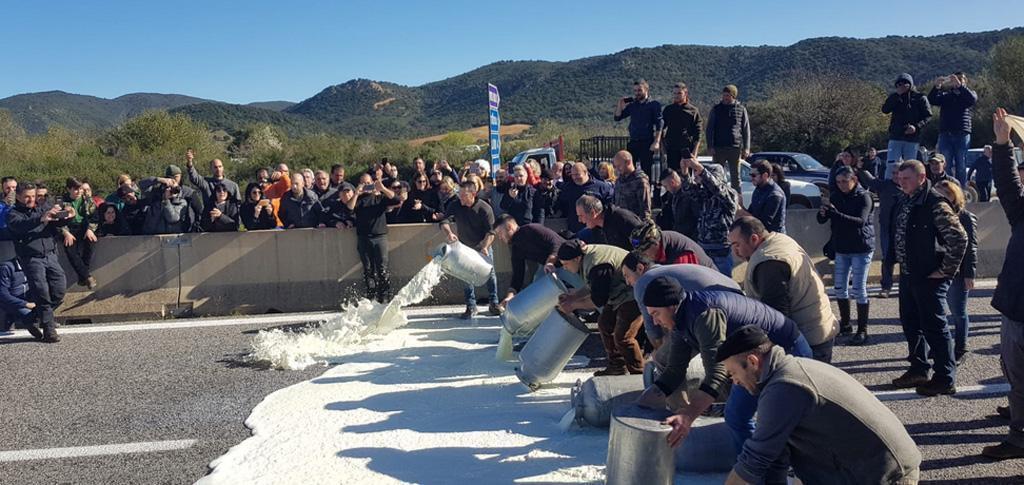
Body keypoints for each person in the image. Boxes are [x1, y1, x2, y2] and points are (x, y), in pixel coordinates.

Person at [636, 277, 811, 479]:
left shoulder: (704, 314)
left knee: (776, 427)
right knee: (737, 415)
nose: (655, 321)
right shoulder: (681, 321)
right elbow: (674, 371)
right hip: (748, 362)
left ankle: (763, 474)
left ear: (672, 306)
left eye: (656, 313)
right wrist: (641, 403)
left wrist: (688, 415)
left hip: (784, 351)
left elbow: (717, 373)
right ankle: (752, 475)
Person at [716, 326, 922, 485]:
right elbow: (776, 454)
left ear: (752, 362)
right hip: (878, 466)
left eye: (733, 373)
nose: (734, 382)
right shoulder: (789, 371)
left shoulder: (785, 387)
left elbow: (754, 460)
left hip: (888, 476)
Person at [891, 159, 967, 397]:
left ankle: (945, 377)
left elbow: (959, 238)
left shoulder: (935, 203)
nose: (902, 183)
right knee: (911, 323)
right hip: (909, 272)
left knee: (935, 326)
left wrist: (946, 271)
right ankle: (919, 369)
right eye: (900, 179)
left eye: (907, 179)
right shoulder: (906, 199)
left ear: (922, 178)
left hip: (929, 275)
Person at [728, 216, 838, 363]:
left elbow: (776, 317)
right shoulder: (779, 240)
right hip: (819, 326)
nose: (735, 252)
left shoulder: (768, 263)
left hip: (808, 338)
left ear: (754, 238)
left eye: (737, 245)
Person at [983, 108, 1024, 460]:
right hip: (1015, 312)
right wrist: (1002, 144)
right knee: (1017, 383)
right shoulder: (1022, 213)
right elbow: (1008, 184)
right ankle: (1018, 438)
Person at [621, 251, 741, 357]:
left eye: (627, 276)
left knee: (664, 359)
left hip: (719, 307)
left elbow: (653, 329)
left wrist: (660, 354)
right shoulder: (667, 270)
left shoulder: (643, 282)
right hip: (737, 298)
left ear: (640, 268)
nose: (627, 282)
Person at [556, 240, 641, 375]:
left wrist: (573, 305)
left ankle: (638, 372)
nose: (565, 268)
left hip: (633, 291)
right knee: (605, 323)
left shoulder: (598, 265)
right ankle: (617, 366)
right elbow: (592, 286)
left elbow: (598, 300)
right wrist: (572, 297)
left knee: (623, 335)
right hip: (619, 292)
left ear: (577, 258)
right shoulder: (587, 258)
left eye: (566, 264)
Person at [6, 182, 73, 342]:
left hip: (50, 255)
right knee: (41, 292)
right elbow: (19, 226)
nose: (31, 199)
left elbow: (57, 222)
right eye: (27, 197)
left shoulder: (43, 208)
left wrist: (67, 216)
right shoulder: (13, 213)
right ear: (19, 197)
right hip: (31, 258)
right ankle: (49, 331)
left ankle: (31, 318)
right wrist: (40, 219)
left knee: (59, 290)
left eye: (33, 196)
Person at [817, 167, 875, 345]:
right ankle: (846, 323)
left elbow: (860, 221)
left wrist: (837, 214)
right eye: (839, 182)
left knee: (858, 288)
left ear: (854, 180)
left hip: (861, 247)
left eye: (845, 181)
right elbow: (824, 220)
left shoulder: (864, 196)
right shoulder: (835, 196)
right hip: (842, 247)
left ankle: (863, 329)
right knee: (840, 288)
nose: (841, 185)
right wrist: (823, 214)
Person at [440, 180, 500, 318]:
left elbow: (491, 232)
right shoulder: (455, 205)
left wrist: (485, 246)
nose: (460, 197)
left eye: (463, 195)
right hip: (464, 247)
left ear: (473, 194)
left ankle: (494, 303)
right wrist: (449, 233)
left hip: (482, 246)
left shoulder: (485, 208)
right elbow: (444, 221)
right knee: (465, 277)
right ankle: (471, 306)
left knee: (490, 274)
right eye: (459, 194)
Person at [932, 180, 977, 365]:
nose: (943, 197)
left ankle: (961, 346)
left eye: (947, 193)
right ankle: (942, 347)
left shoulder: (965, 216)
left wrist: (969, 274)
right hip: (938, 270)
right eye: (939, 193)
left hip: (958, 272)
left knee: (958, 311)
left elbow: (971, 247)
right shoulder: (933, 214)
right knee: (938, 311)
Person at [678, 157, 738, 275]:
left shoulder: (729, 194)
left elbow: (716, 187)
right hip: (704, 248)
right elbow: (688, 190)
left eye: (700, 175)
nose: (697, 178)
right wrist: (685, 171)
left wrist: (700, 169)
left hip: (721, 250)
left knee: (723, 284)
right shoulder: (704, 195)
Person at [492, 215, 566, 307]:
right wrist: (509, 297)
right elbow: (517, 276)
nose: (500, 237)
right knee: (537, 286)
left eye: (500, 233)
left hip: (567, 260)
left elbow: (557, 243)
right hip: (549, 268)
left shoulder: (532, 229)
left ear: (509, 227)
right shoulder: (516, 248)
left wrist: (550, 262)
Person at [349, 173, 400, 303]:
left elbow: (396, 200)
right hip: (364, 238)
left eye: (369, 183)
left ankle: (386, 296)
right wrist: (356, 193)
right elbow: (349, 209)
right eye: (364, 183)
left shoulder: (380, 199)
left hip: (380, 237)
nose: (367, 186)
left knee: (382, 269)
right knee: (368, 269)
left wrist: (382, 188)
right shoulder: (359, 200)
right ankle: (371, 297)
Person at [856, 161, 903, 299]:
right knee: (887, 257)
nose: (896, 176)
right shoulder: (885, 186)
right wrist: (861, 167)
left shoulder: (910, 188)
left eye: (898, 173)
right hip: (887, 228)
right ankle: (886, 287)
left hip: (905, 229)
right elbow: (869, 181)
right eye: (893, 173)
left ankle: (906, 287)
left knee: (906, 259)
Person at [928, 72, 977, 186]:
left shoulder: (969, 94)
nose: (957, 81)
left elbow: (971, 100)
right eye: (955, 79)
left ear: (965, 81)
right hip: (945, 133)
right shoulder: (946, 95)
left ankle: (961, 190)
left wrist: (960, 86)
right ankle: (947, 188)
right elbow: (932, 100)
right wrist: (936, 87)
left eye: (960, 79)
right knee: (946, 163)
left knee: (961, 164)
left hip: (962, 133)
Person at [706, 84, 751, 191]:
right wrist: (710, 146)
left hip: (735, 148)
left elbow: (746, 129)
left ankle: (737, 203)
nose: (725, 97)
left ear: (733, 96)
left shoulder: (741, 109)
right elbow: (709, 129)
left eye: (728, 95)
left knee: (736, 178)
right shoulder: (716, 109)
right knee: (717, 176)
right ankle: (718, 201)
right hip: (718, 148)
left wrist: (746, 148)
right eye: (724, 95)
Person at [613, 79, 663, 177]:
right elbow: (617, 117)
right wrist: (620, 103)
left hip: (647, 142)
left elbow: (659, 123)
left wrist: (656, 141)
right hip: (633, 141)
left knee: (646, 170)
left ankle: (646, 190)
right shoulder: (633, 105)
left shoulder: (654, 105)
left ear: (646, 90)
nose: (637, 93)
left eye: (639, 90)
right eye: (635, 91)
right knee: (629, 169)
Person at [882, 73, 932, 169]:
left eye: (905, 83)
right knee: (892, 165)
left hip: (912, 139)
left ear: (910, 84)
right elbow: (885, 110)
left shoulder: (920, 98)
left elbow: (928, 116)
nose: (901, 86)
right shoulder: (894, 97)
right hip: (896, 136)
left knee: (910, 166)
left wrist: (916, 126)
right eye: (899, 84)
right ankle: (890, 183)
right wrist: (896, 96)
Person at [628, 221, 716, 270]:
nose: (644, 255)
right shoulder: (660, 247)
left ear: (655, 244)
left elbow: (688, 285)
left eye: (644, 251)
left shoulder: (681, 254)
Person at [60, 177, 98, 289]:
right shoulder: (63, 202)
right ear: (69, 189)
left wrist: (90, 229)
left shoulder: (87, 200)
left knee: (90, 244)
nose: (78, 192)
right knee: (70, 250)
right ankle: (87, 276)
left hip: (84, 228)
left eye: (80, 189)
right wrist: (65, 232)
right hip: (70, 228)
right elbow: (58, 220)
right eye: (75, 189)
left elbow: (94, 217)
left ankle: (83, 277)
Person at [555, 162, 614, 232]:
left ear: (585, 172)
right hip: (575, 229)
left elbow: (610, 207)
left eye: (577, 174)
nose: (574, 178)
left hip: (596, 230)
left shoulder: (602, 187)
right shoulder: (568, 187)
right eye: (572, 175)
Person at [661, 82, 703, 173]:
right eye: (675, 93)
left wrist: (695, 152)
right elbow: (660, 129)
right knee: (673, 177)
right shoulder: (668, 110)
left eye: (679, 93)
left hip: (687, 149)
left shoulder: (693, 111)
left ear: (685, 94)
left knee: (687, 178)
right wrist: (663, 148)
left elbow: (698, 133)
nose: (676, 96)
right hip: (671, 149)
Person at [575, 195, 644, 250]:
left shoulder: (621, 218)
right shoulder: (596, 229)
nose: (579, 220)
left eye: (581, 216)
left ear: (593, 213)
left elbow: (643, 241)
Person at [743, 160, 786, 233]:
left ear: (765, 175)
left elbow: (764, 224)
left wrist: (740, 211)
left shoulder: (775, 195)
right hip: (761, 236)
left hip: (773, 238)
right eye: (750, 175)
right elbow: (751, 212)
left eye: (754, 175)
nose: (751, 178)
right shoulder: (759, 189)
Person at [612, 150, 652, 221]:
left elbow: (645, 209)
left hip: (633, 223)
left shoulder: (640, 181)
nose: (617, 169)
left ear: (628, 162)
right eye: (616, 166)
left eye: (619, 166)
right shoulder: (619, 181)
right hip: (620, 223)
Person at [0, 257, 33, 333]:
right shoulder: (6, 268)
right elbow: (3, 294)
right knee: (29, 315)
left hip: (28, 300)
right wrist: (26, 304)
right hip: (11, 302)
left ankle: (44, 322)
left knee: (47, 305)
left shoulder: (35, 266)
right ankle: (9, 318)